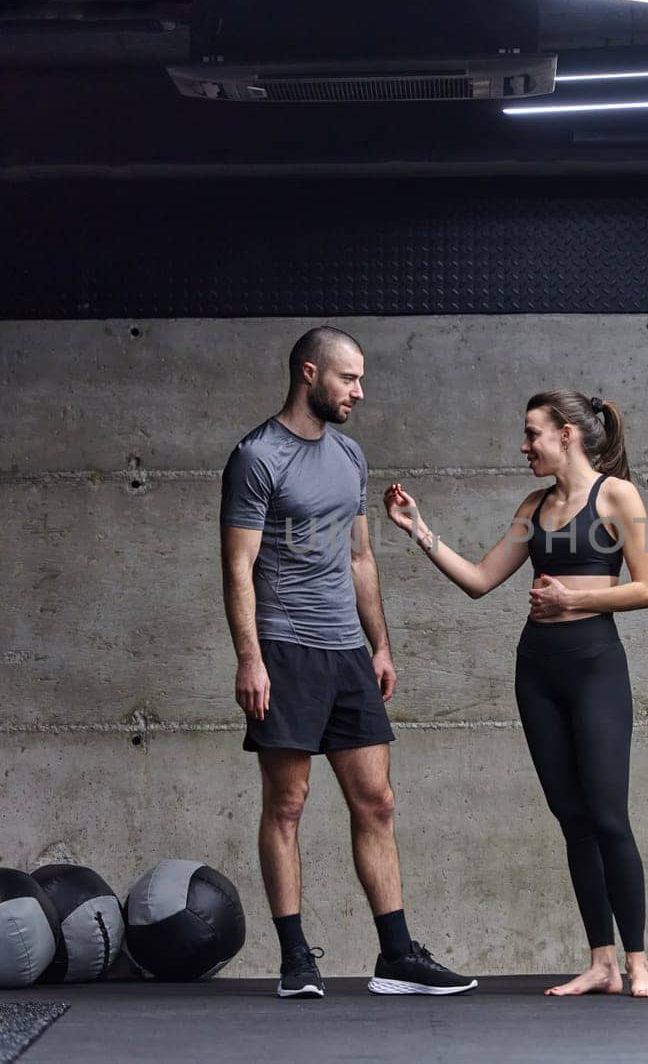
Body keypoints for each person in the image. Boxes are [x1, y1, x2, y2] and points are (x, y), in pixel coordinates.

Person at [383, 389, 648, 998]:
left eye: (532, 433)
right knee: (571, 820)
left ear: (566, 434)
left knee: (608, 816)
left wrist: (574, 599)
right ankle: (602, 962)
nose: (524, 445)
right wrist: (420, 531)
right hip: (537, 671)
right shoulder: (532, 507)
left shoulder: (617, 496)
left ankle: (639, 963)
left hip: (595, 668)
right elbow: (482, 580)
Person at [219, 326, 477, 999]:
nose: (359, 392)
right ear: (309, 373)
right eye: (348, 379)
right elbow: (238, 566)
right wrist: (250, 657)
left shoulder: (351, 456)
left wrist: (380, 643)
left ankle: (396, 953)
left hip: (347, 653)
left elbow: (359, 555)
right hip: (286, 647)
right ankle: (296, 957)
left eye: (360, 379)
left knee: (378, 801)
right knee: (288, 804)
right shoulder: (256, 458)